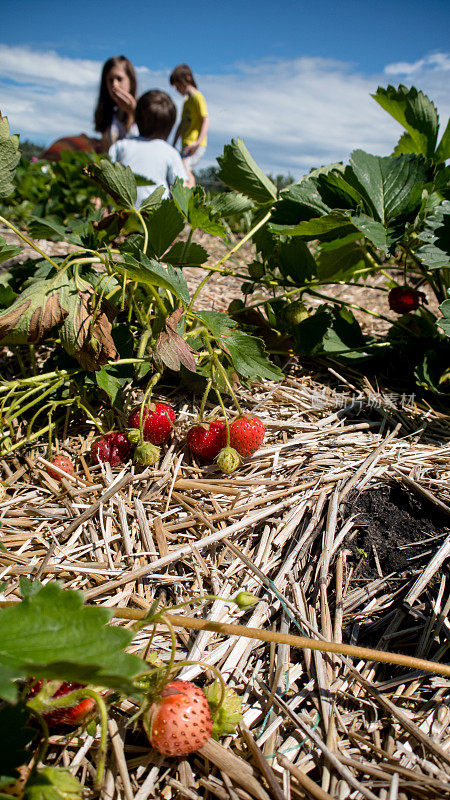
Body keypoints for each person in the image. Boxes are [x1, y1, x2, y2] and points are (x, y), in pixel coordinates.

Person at [108, 90, 194, 207]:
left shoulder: (120, 146)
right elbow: (183, 195)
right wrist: (189, 175)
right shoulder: (170, 153)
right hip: (153, 221)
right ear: (170, 127)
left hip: (121, 217)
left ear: (136, 118)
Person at [170, 64, 209, 186]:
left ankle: (191, 198)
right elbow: (181, 125)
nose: (177, 90)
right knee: (179, 168)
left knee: (184, 167)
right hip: (185, 144)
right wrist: (173, 143)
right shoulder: (187, 101)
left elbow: (206, 120)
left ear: (186, 79)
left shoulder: (197, 97)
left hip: (195, 144)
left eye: (178, 86)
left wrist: (198, 142)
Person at [94, 56, 139, 151]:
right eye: (110, 80)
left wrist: (133, 112)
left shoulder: (143, 112)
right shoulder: (108, 117)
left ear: (131, 81)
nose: (115, 84)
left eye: (119, 79)